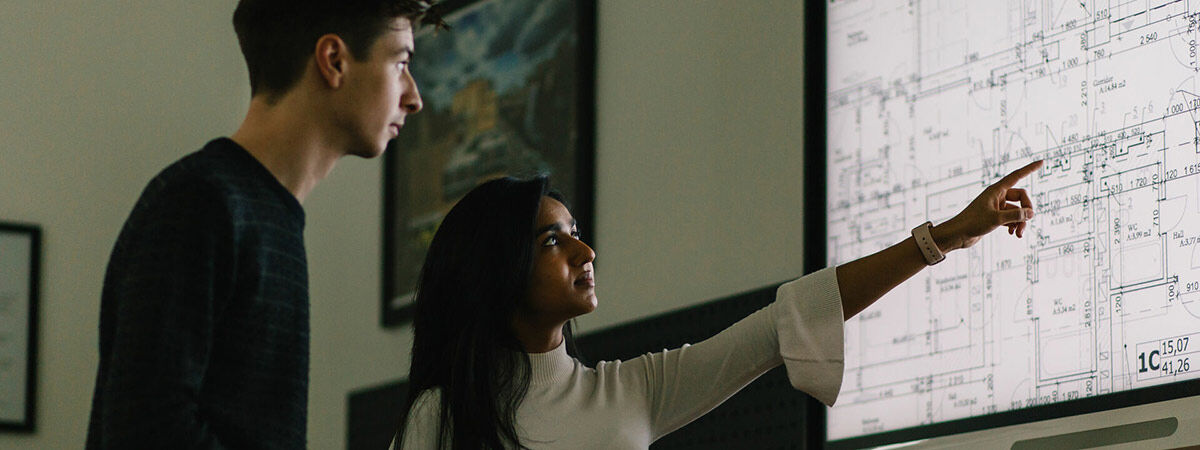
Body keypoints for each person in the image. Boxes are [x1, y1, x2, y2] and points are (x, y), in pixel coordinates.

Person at [395, 160, 1044, 449]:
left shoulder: (631, 393)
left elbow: (789, 319)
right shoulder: (442, 418)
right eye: (552, 241)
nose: (585, 251)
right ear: (496, 268)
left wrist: (944, 238)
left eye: (577, 231)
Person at [85, 1, 434, 448]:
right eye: (401, 62)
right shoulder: (202, 204)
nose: (414, 96)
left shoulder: (263, 216)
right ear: (334, 61)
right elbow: (145, 431)